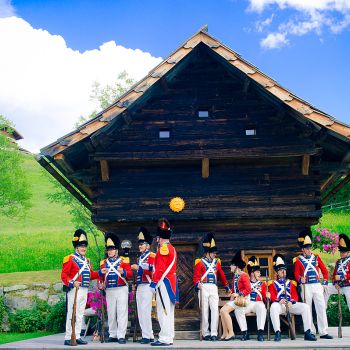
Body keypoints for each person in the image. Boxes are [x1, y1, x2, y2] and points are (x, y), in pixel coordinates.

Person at [61, 229, 99, 346]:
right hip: (74, 290)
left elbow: (91, 275)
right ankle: (68, 337)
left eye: (85, 246)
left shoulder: (87, 261)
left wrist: (100, 272)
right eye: (81, 246)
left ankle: (76, 336)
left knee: (80, 313)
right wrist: (72, 283)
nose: (84, 248)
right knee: (71, 313)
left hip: (84, 290)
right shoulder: (70, 259)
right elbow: (64, 275)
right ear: (76, 247)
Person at [293, 228, 332, 339]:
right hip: (305, 286)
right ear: (302, 249)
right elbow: (296, 275)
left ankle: (323, 331)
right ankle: (311, 331)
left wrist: (324, 282)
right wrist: (301, 279)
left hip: (316, 285)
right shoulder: (298, 260)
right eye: (306, 248)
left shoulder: (316, 258)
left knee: (321, 307)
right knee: (307, 308)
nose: (308, 250)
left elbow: (324, 271)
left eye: (309, 247)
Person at [269, 253, 316, 342]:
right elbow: (272, 295)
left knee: (305, 307)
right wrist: (279, 300)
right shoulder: (272, 283)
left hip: (290, 305)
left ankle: (307, 332)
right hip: (280, 305)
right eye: (280, 270)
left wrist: (292, 301)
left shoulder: (291, 283)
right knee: (273, 307)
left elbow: (295, 295)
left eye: (284, 270)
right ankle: (277, 332)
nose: (283, 272)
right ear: (277, 272)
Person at [193, 233, 230, 341]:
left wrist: (226, 286)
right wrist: (197, 284)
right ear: (208, 253)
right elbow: (196, 277)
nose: (215, 255)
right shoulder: (199, 262)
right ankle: (205, 333)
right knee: (204, 312)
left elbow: (222, 275)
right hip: (203, 287)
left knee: (214, 310)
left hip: (213, 287)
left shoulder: (216, 263)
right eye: (213, 253)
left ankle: (214, 333)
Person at [99, 232, 133, 344]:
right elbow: (101, 277)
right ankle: (113, 334)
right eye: (108, 249)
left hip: (121, 288)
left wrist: (123, 272)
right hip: (109, 290)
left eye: (112, 249)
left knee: (122, 312)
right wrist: (101, 284)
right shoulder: (103, 263)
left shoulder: (124, 260)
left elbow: (130, 274)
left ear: (116, 250)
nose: (110, 251)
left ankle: (121, 335)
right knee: (111, 313)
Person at [149, 218, 178, 346]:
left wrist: (153, 284)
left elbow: (160, 269)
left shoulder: (163, 249)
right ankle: (169, 336)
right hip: (170, 283)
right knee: (169, 311)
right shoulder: (172, 248)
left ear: (159, 238)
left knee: (163, 311)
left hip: (164, 283)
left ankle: (164, 338)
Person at [131, 227, 156, 344]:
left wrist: (139, 268)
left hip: (147, 285)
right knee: (141, 311)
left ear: (148, 245)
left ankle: (146, 336)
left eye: (143, 244)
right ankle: (149, 335)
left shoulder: (152, 255)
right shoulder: (140, 257)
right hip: (140, 286)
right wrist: (135, 284)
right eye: (139, 244)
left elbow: (152, 269)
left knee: (145, 311)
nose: (140, 246)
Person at [219, 250, 251, 341]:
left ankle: (231, 333)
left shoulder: (244, 275)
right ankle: (225, 333)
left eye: (231, 265)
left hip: (243, 299)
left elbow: (248, 289)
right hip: (236, 300)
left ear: (236, 266)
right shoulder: (235, 276)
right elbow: (235, 289)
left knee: (224, 311)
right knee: (222, 311)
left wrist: (238, 294)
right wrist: (232, 293)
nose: (230, 266)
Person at [235, 256, 267, 341]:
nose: (259, 274)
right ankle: (245, 332)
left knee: (262, 307)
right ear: (252, 273)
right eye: (258, 272)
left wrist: (268, 297)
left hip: (258, 303)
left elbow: (264, 298)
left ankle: (260, 332)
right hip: (247, 303)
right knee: (238, 310)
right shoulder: (246, 282)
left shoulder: (262, 284)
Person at [331, 233, 350, 309]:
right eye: (341, 251)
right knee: (325, 289)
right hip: (339, 286)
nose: (341, 254)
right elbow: (334, 275)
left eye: (343, 252)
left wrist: (342, 277)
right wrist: (335, 282)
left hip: (348, 286)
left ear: (348, 252)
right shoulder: (338, 262)